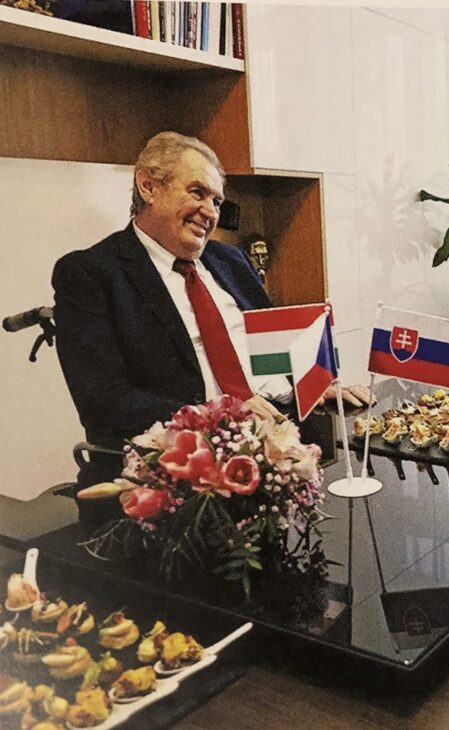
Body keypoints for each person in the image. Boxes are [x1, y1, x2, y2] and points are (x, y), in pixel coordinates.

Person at [53, 131, 367, 499]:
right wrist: (219, 415)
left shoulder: (231, 261)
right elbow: (102, 402)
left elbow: (269, 352)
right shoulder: (91, 274)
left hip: (277, 450)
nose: (210, 212)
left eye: (217, 201)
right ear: (149, 186)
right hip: (179, 476)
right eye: (197, 192)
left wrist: (310, 383)